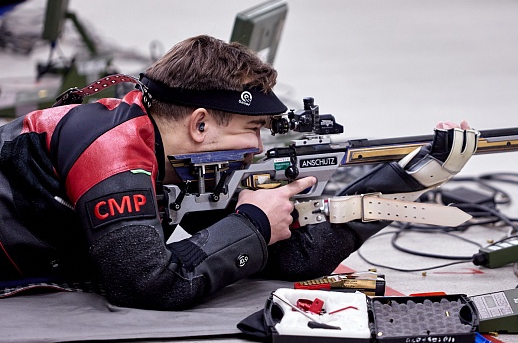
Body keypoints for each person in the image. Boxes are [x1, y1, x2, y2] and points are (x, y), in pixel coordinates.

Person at [0, 35, 478, 310]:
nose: (257, 148)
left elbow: (297, 259)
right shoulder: (113, 150)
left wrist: (409, 180)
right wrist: (251, 221)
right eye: (252, 129)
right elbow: (147, 284)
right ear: (200, 124)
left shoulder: (182, 159)